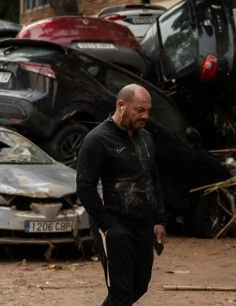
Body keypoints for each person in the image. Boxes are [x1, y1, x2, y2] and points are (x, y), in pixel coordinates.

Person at [76, 84, 167, 306]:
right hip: (114, 225)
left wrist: (160, 220)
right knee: (120, 290)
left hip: (143, 225)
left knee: (140, 285)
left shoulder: (145, 138)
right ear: (121, 106)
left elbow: (152, 180)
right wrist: (107, 225)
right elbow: (84, 186)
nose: (145, 116)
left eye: (148, 110)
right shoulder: (97, 139)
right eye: (140, 110)